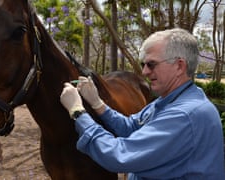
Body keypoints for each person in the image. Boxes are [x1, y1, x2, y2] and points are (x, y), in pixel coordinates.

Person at [60, 28, 225, 179]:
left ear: (179, 66)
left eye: (151, 64)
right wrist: (97, 103)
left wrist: (77, 111)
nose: (145, 71)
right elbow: (130, 126)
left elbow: (119, 156)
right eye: (143, 65)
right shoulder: (169, 100)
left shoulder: (185, 115)